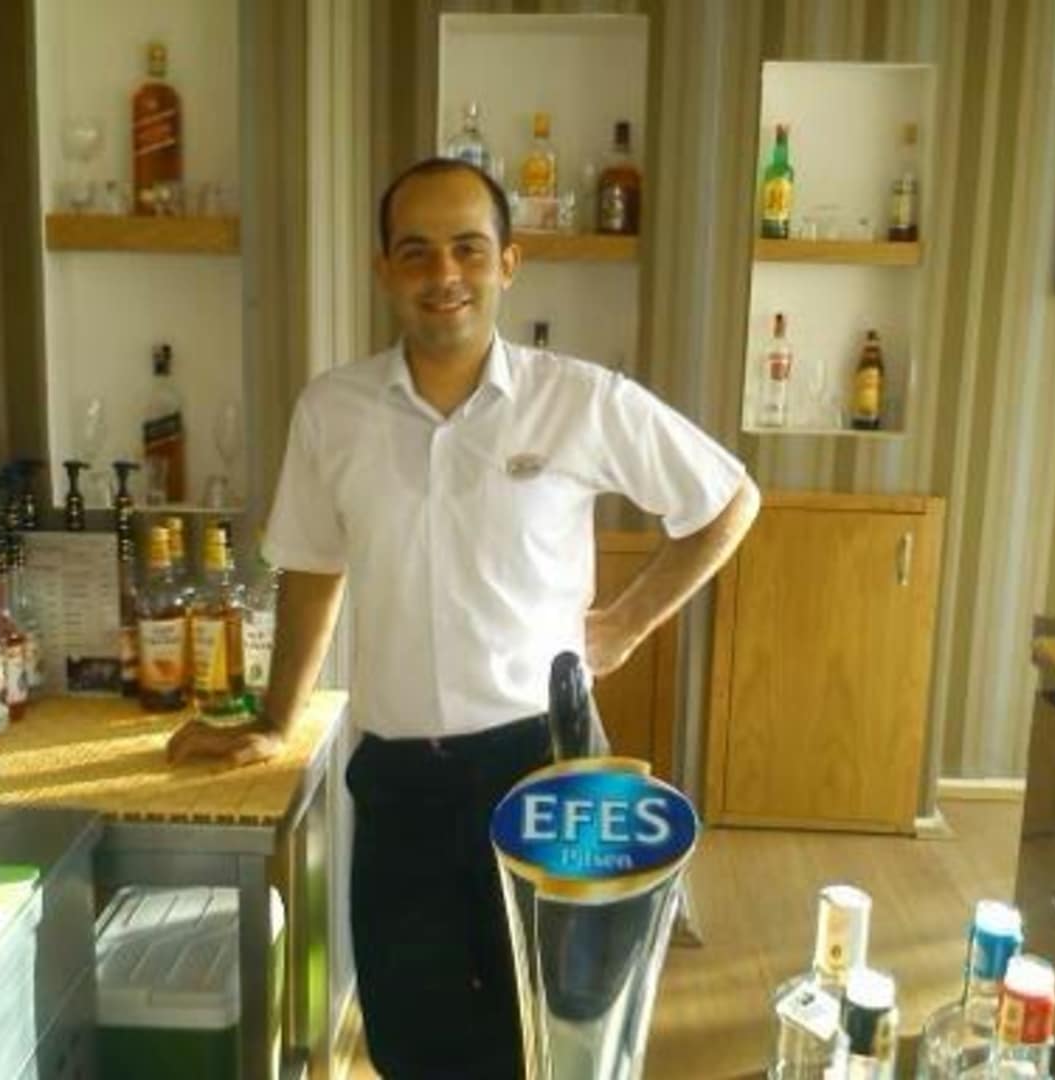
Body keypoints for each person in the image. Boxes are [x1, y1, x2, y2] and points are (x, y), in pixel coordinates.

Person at [168, 158, 758, 1078]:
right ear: (384, 271)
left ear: (508, 264)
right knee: (410, 1038)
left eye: (468, 249)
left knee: (555, 1035)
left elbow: (726, 499)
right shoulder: (334, 412)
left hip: (544, 769)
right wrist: (278, 718)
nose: (443, 273)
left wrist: (627, 623)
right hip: (399, 778)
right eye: (416, 252)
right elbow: (314, 568)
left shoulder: (579, 399)